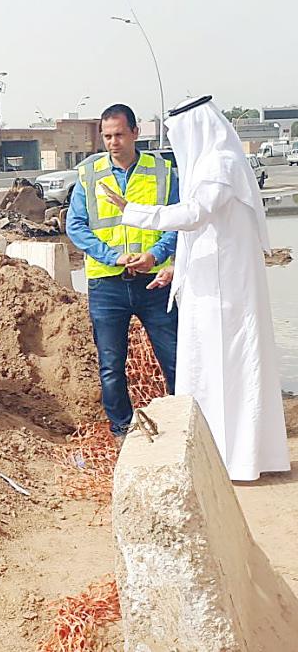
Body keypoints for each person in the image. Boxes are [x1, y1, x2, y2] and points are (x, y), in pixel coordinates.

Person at [101, 96, 289, 480]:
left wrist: (131, 210)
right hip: (209, 286)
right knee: (207, 369)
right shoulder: (207, 164)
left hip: (227, 293)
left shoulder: (221, 163)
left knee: (228, 367)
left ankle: (238, 457)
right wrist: (176, 271)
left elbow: (193, 215)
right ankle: (217, 453)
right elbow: (201, 235)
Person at [66, 104, 180, 442]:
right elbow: (76, 226)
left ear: (135, 133)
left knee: (174, 357)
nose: (113, 142)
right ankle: (122, 430)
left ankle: (183, 420)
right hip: (107, 284)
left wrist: (156, 254)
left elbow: (178, 221)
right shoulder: (90, 175)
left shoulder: (163, 172)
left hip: (155, 281)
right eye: (107, 136)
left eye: (118, 134)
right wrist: (112, 256)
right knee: (111, 367)